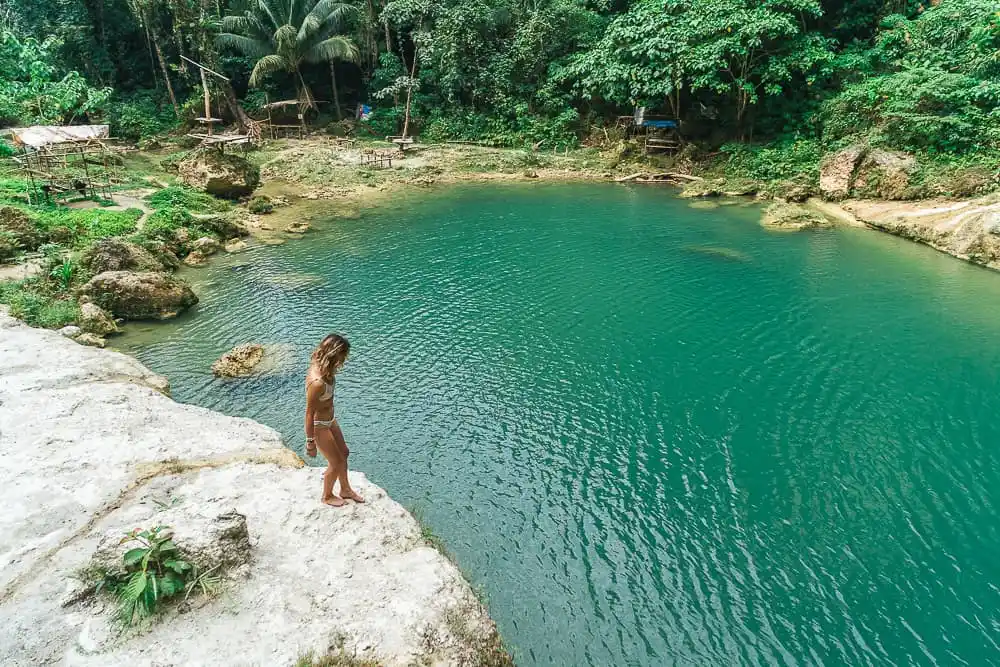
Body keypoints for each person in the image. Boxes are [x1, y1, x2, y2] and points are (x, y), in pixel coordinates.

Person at [304, 333, 365, 507]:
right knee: (336, 462)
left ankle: (345, 489)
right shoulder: (317, 383)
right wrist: (310, 442)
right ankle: (327, 495)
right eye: (343, 355)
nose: (344, 360)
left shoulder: (326, 370)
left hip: (330, 420)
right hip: (319, 426)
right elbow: (309, 413)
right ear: (334, 354)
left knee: (344, 453)